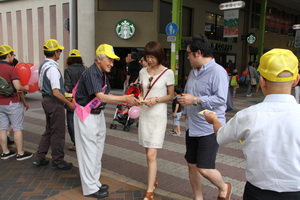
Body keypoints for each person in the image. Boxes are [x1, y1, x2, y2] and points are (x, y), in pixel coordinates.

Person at [204, 48, 300, 200]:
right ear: (296, 80)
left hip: (257, 193)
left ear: (262, 80)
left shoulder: (248, 115)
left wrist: (214, 120)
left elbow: (221, 137)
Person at [73, 44, 140, 199]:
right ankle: (90, 188)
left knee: (96, 151)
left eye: (112, 60)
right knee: (89, 152)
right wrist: (125, 99)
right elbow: (101, 97)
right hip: (87, 115)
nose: (112, 63)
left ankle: (94, 182)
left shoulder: (101, 73)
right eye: (109, 59)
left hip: (97, 115)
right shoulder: (92, 73)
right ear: (99, 58)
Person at [177, 34, 231, 200]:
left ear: (198, 53)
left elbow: (221, 99)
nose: (187, 57)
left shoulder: (218, 72)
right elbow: (188, 94)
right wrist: (182, 114)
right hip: (192, 127)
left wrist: (195, 100)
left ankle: (224, 187)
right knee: (192, 165)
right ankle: (198, 197)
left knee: (204, 168)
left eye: (188, 54)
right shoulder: (194, 72)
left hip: (209, 128)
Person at [138, 41, 174, 200]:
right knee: (148, 154)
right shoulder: (142, 72)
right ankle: (154, 179)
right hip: (145, 113)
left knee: (152, 155)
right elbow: (141, 91)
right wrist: (139, 98)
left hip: (158, 115)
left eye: (153, 56)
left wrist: (157, 99)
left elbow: (171, 96)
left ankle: (150, 189)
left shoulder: (168, 73)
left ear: (160, 56)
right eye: (148, 56)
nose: (150, 60)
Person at [33, 39, 75, 170]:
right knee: (58, 132)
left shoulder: (43, 65)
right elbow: (56, 92)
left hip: (46, 100)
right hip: (54, 102)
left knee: (49, 130)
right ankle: (58, 160)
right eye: (60, 51)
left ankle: (40, 157)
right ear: (55, 52)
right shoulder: (53, 69)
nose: (60, 53)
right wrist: (68, 103)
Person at [0, 44, 32, 160]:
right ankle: (20, 153)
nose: (13, 57)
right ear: (8, 55)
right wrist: (26, 87)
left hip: (0, 103)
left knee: (2, 128)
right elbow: (18, 87)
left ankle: (5, 152)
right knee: (17, 128)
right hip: (11, 102)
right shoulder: (11, 69)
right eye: (13, 54)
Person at [64, 49, 86, 151]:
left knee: (71, 122)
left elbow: (67, 87)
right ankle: (84, 142)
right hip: (84, 101)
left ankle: (76, 143)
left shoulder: (68, 70)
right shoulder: (85, 69)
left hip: (72, 100)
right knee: (84, 121)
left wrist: (68, 101)